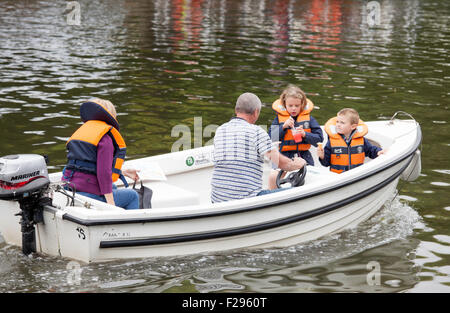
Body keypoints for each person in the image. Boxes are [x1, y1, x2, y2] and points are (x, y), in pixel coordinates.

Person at [211, 92, 306, 203]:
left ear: (236, 110)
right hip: (246, 201)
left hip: (217, 200)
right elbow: (280, 162)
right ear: (256, 112)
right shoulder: (256, 131)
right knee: (298, 192)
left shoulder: (220, 130)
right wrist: (297, 164)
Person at [62, 98, 140, 209]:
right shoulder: (105, 138)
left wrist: (124, 172)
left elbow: (86, 166)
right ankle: (129, 225)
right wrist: (111, 206)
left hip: (70, 189)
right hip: (88, 195)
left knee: (113, 187)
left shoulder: (82, 133)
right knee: (132, 196)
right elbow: (103, 173)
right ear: (111, 116)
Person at [267, 85, 323, 189]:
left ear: (302, 104)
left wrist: (305, 134)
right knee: (273, 176)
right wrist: (283, 127)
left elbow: (319, 139)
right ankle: (274, 196)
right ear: (285, 104)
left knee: (310, 178)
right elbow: (271, 138)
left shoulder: (309, 119)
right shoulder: (278, 119)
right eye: (290, 105)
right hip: (283, 155)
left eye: (297, 106)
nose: (293, 108)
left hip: (303, 155)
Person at [317, 108, 386, 173]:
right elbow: (326, 163)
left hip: (356, 175)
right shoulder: (331, 142)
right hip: (338, 178)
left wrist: (378, 151)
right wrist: (322, 156)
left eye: (342, 123)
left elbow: (371, 150)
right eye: (337, 122)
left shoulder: (361, 140)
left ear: (353, 126)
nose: (338, 125)